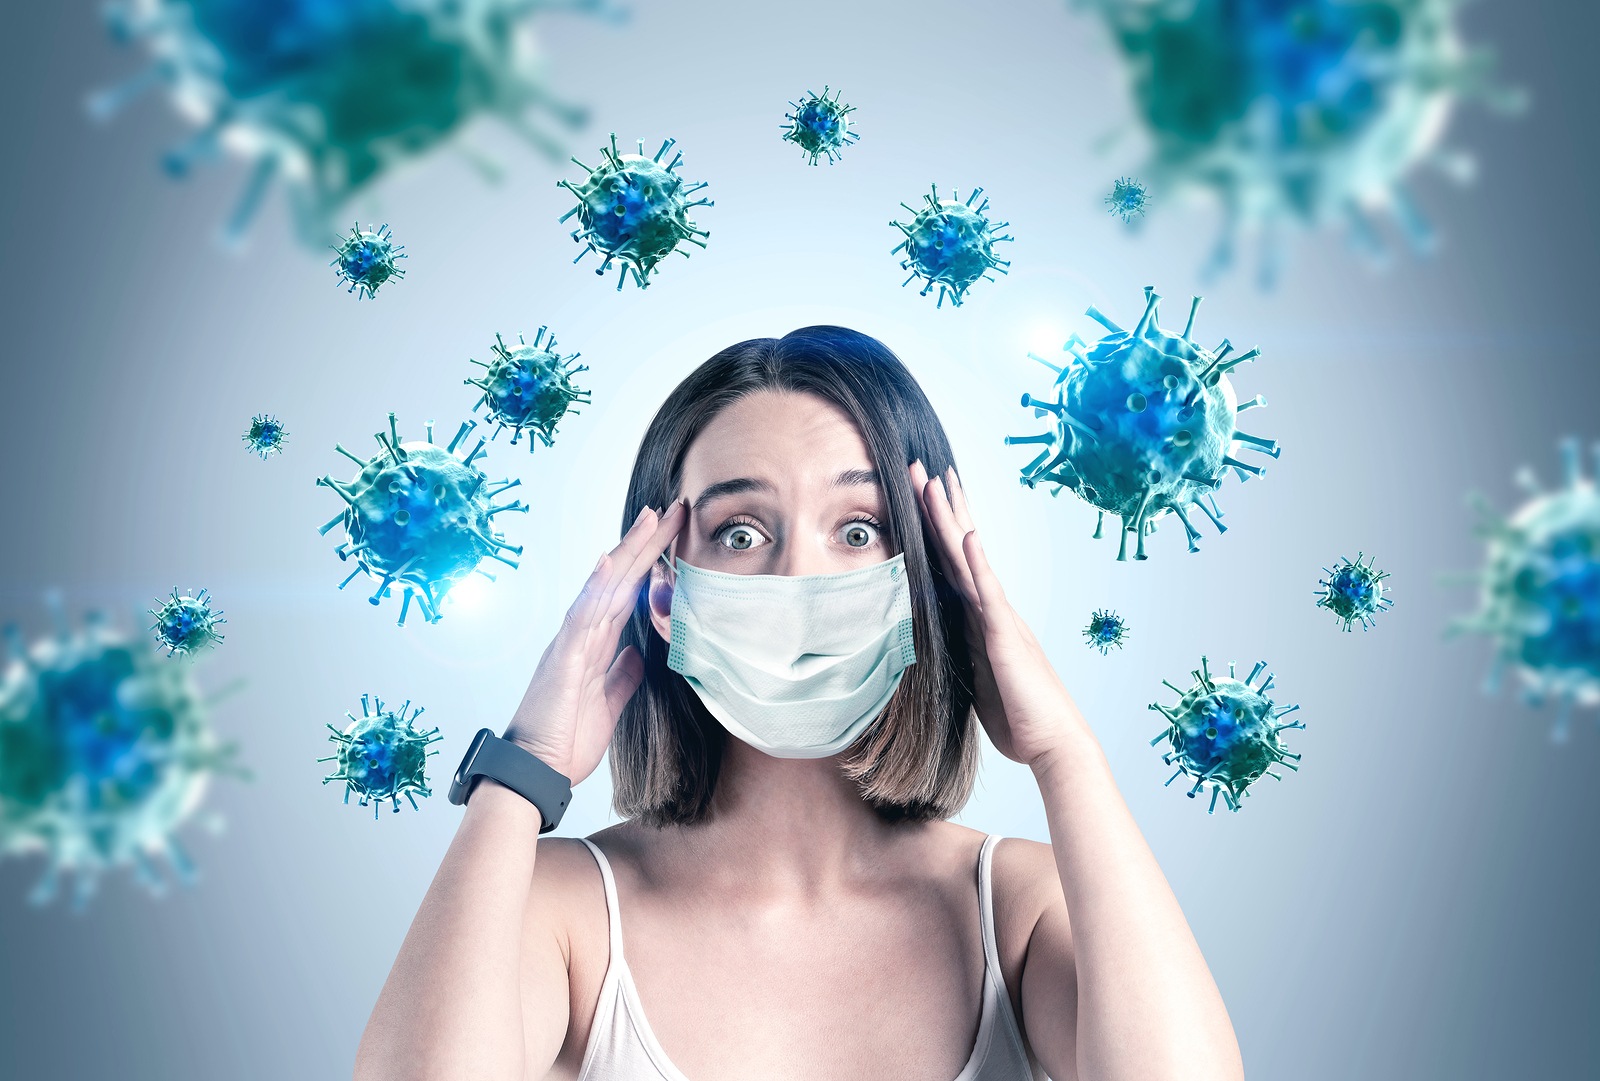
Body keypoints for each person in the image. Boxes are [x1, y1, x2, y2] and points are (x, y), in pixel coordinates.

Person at [352, 326, 1245, 1081]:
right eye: (741, 534)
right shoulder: (564, 909)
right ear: (664, 594)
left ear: (928, 582)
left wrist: (1065, 754)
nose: (799, 580)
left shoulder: (1019, 906)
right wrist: (525, 765)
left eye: (858, 531)